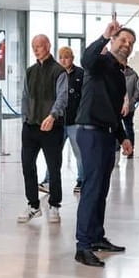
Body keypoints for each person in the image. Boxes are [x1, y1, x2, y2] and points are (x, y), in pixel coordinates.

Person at [74, 21, 135, 268]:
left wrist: (123, 137)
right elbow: (86, 59)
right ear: (113, 40)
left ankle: (97, 237)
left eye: (130, 43)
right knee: (91, 188)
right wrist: (103, 36)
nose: (126, 45)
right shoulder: (99, 62)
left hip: (107, 134)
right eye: (122, 40)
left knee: (101, 189)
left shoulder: (120, 74)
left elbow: (112, 110)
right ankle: (83, 246)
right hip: (91, 134)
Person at [18, 35, 67, 224]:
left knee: (54, 168)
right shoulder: (30, 71)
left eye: (39, 46)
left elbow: (62, 98)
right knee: (27, 166)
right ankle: (33, 204)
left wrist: (53, 115)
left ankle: (54, 205)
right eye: (33, 46)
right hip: (30, 127)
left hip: (52, 127)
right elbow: (24, 96)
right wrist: (24, 118)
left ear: (48, 46)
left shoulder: (58, 71)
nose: (36, 49)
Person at [39, 47, 84, 194]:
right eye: (61, 57)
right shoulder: (56, 73)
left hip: (74, 122)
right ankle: (48, 181)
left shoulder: (80, 74)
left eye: (67, 57)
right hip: (58, 121)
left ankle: (82, 180)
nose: (64, 60)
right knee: (54, 153)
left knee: (79, 153)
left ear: (72, 58)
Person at [121, 65, 139, 160]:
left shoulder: (133, 75)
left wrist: (131, 101)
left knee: (129, 128)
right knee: (115, 127)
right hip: (117, 107)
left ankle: (131, 149)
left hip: (130, 107)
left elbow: (138, 90)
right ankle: (116, 148)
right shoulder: (114, 72)